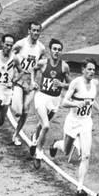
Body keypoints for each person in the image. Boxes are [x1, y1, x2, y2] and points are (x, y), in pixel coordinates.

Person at [49, 58, 99, 196]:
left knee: (86, 155)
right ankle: (55, 144)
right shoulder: (76, 83)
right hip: (73, 121)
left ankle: (80, 187)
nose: (91, 72)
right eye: (89, 69)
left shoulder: (94, 85)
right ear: (83, 70)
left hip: (86, 122)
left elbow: (92, 101)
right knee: (66, 150)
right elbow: (64, 102)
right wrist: (76, 104)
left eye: (93, 70)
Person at [30, 38, 71, 168]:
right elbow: (33, 69)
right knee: (46, 126)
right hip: (42, 97)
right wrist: (33, 81)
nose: (56, 52)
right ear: (50, 50)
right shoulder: (43, 63)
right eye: (54, 49)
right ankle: (39, 153)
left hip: (54, 100)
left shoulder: (64, 66)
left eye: (59, 50)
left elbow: (70, 85)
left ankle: (34, 138)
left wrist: (61, 84)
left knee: (41, 124)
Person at [10, 22, 46, 146]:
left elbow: (41, 65)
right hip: (19, 81)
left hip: (30, 84)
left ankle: (15, 134)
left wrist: (39, 79)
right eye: (34, 30)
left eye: (38, 31)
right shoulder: (20, 44)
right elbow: (9, 55)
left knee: (25, 111)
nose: (36, 33)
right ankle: (11, 98)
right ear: (29, 31)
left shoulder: (41, 48)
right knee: (18, 110)